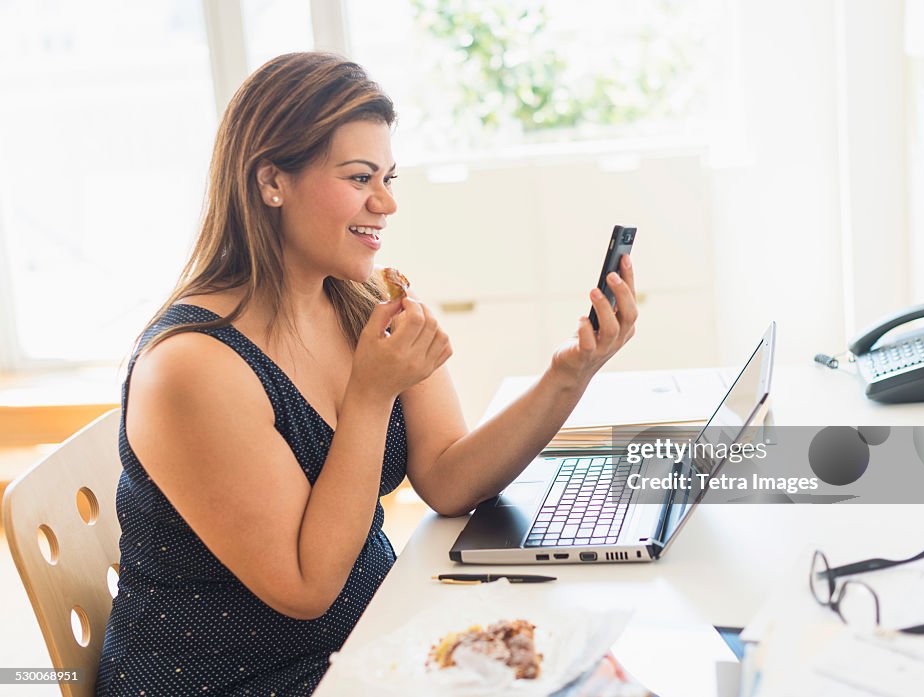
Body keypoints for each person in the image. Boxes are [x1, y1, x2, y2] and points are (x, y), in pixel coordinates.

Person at [95, 51, 638, 696]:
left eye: (389, 177)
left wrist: (571, 373)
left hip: (368, 640)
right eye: (359, 178)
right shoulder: (192, 367)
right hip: (247, 680)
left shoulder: (358, 301)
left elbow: (448, 477)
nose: (386, 203)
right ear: (272, 181)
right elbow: (305, 588)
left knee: (604, 665)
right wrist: (371, 393)